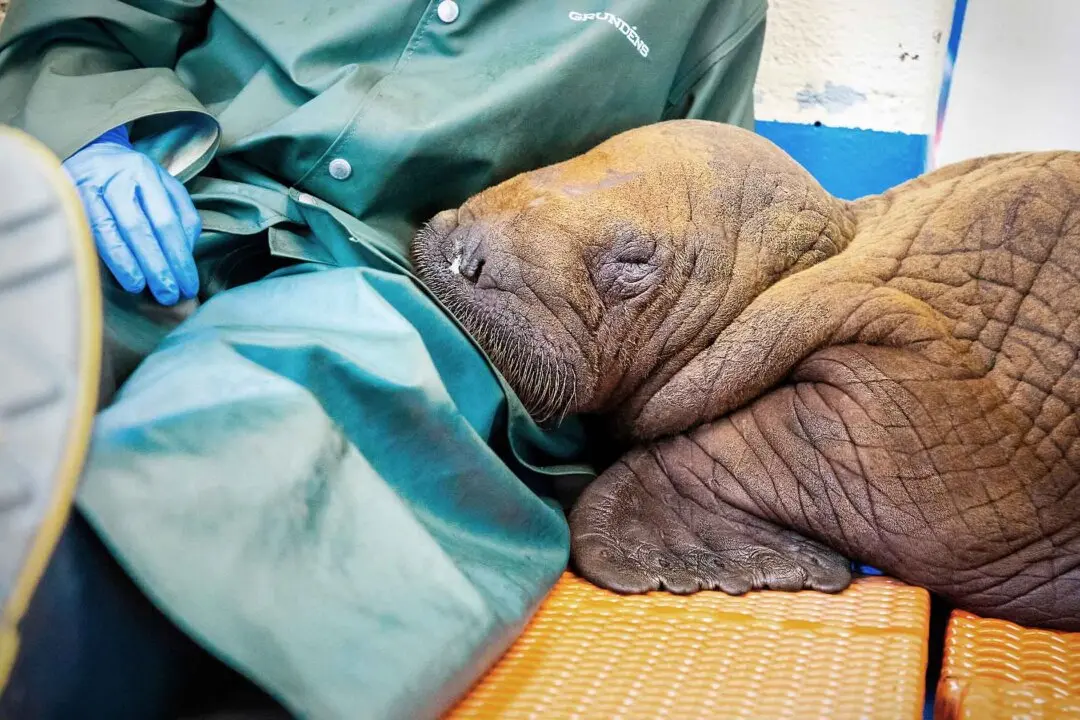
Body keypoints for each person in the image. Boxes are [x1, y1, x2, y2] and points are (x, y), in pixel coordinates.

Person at [0, 1, 768, 717]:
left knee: (292, 383)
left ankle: (61, 633)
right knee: (44, 307)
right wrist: (94, 137)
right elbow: (86, 21)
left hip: (431, 292)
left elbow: (709, 230)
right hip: (175, 200)